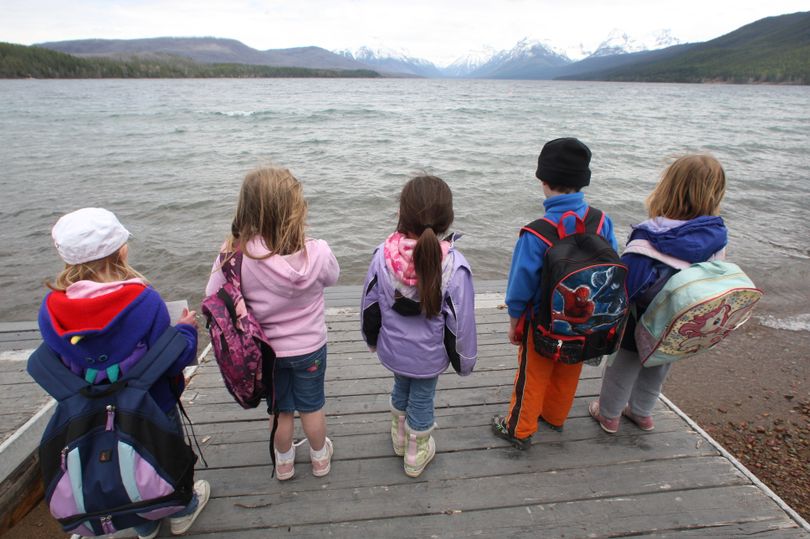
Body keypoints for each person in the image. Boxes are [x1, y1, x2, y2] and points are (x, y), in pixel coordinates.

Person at [36, 208, 210, 539]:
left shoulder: (51, 309)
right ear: (121, 250)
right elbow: (173, 360)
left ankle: (144, 524)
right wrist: (186, 332)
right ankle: (181, 509)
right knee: (162, 454)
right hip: (152, 405)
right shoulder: (144, 301)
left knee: (123, 457)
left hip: (89, 413)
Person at [205, 167, 339, 480]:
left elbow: (212, 295)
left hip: (267, 353)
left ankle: (284, 463)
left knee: (280, 410)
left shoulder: (236, 255)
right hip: (311, 348)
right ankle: (320, 459)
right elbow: (333, 277)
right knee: (312, 406)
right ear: (296, 208)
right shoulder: (318, 251)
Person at [492, 137, 619, 449]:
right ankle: (555, 416)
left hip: (544, 321)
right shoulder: (601, 221)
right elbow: (612, 264)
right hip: (586, 323)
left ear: (543, 181)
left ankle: (518, 429)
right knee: (569, 368)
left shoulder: (536, 232)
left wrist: (514, 320)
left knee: (532, 374)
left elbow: (520, 285)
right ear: (583, 181)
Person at [589, 154, 727, 433]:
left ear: (667, 187)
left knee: (623, 366)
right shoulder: (717, 235)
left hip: (641, 317)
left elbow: (625, 286)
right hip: (681, 318)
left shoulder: (648, 236)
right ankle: (642, 413)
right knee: (660, 364)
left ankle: (609, 415)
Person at [360, 175, 477, 478]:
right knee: (422, 398)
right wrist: (464, 363)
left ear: (402, 213)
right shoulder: (454, 265)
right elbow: (461, 322)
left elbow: (369, 304)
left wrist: (372, 340)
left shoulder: (382, 255)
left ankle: (400, 438)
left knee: (401, 386)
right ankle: (415, 454)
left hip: (394, 349)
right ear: (446, 220)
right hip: (428, 356)